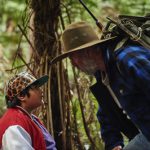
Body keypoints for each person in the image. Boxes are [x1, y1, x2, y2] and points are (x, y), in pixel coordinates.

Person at [51, 21, 150, 150]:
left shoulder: (127, 59)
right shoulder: (103, 78)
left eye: (72, 58)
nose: (74, 65)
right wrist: (114, 144)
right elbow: (106, 116)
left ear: (86, 52)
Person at [0, 72, 57, 150]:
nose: (41, 91)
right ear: (21, 96)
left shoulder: (29, 118)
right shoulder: (14, 125)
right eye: (36, 88)